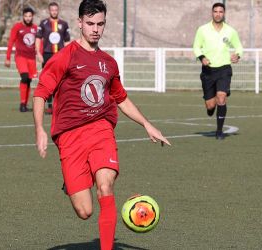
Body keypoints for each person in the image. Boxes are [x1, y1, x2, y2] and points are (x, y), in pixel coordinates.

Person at [33, 1, 170, 249]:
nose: (96, 29)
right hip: (70, 136)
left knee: (105, 187)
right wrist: (40, 129)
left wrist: (147, 125)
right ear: (79, 23)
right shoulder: (65, 57)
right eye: (90, 24)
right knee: (84, 211)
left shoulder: (109, 63)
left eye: (100, 24)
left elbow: (121, 98)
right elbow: (41, 93)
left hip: (100, 130)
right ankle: (73, 181)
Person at [193, 2, 243, 139]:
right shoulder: (203, 30)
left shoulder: (230, 31)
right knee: (210, 106)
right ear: (212, 13)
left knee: (221, 98)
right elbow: (196, 47)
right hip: (208, 71)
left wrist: (237, 55)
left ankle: (219, 131)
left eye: (221, 12)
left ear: (224, 13)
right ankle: (212, 105)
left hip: (224, 69)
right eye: (216, 11)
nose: (218, 14)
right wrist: (202, 57)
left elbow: (239, 47)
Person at [35, 1, 71, 115]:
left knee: (60, 80)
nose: (54, 12)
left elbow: (67, 41)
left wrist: (67, 55)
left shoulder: (64, 24)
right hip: (47, 54)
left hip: (60, 55)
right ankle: (49, 105)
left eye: (56, 10)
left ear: (58, 10)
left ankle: (58, 105)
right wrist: (38, 53)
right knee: (47, 80)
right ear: (49, 11)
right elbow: (38, 39)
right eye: (52, 10)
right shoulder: (43, 23)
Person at [5, 7, 38, 112]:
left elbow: (39, 42)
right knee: (24, 77)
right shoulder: (17, 27)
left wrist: (40, 53)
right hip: (21, 57)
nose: (28, 18)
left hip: (31, 58)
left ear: (32, 17)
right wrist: (8, 58)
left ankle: (24, 104)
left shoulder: (36, 28)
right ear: (23, 16)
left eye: (30, 16)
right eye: (26, 16)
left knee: (29, 80)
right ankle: (22, 104)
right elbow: (11, 42)